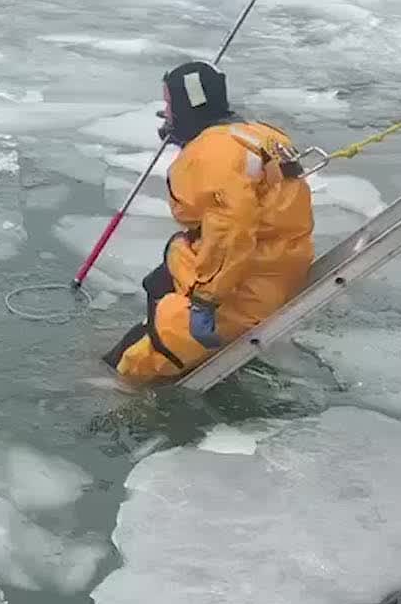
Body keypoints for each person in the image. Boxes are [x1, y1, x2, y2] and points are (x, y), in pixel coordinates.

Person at [103, 62, 315, 384]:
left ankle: (127, 390)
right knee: (158, 282)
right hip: (276, 263)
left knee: (134, 361)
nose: (166, 114)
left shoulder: (213, 153)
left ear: (188, 106)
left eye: (170, 106)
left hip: (243, 284)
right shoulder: (259, 135)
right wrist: (188, 134)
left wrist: (206, 300)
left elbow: (232, 229)